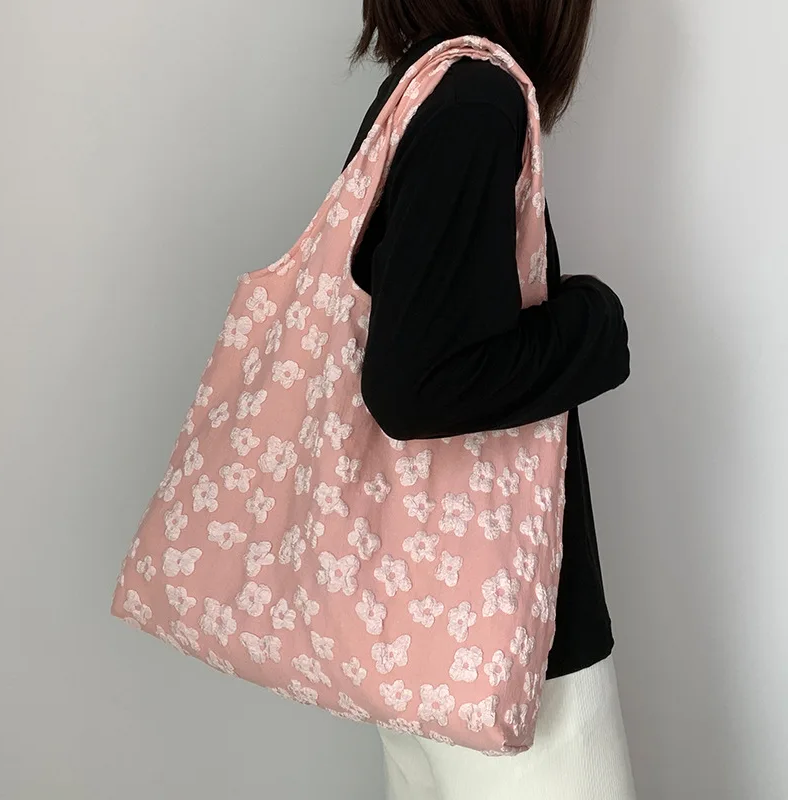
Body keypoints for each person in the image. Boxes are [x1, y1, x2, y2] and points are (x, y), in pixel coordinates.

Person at [344, 2, 636, 798]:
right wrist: (594, 324)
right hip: (510, 647)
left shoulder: (420, 89)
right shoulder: (477, 98)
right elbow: (416, 384)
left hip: (415, 633)